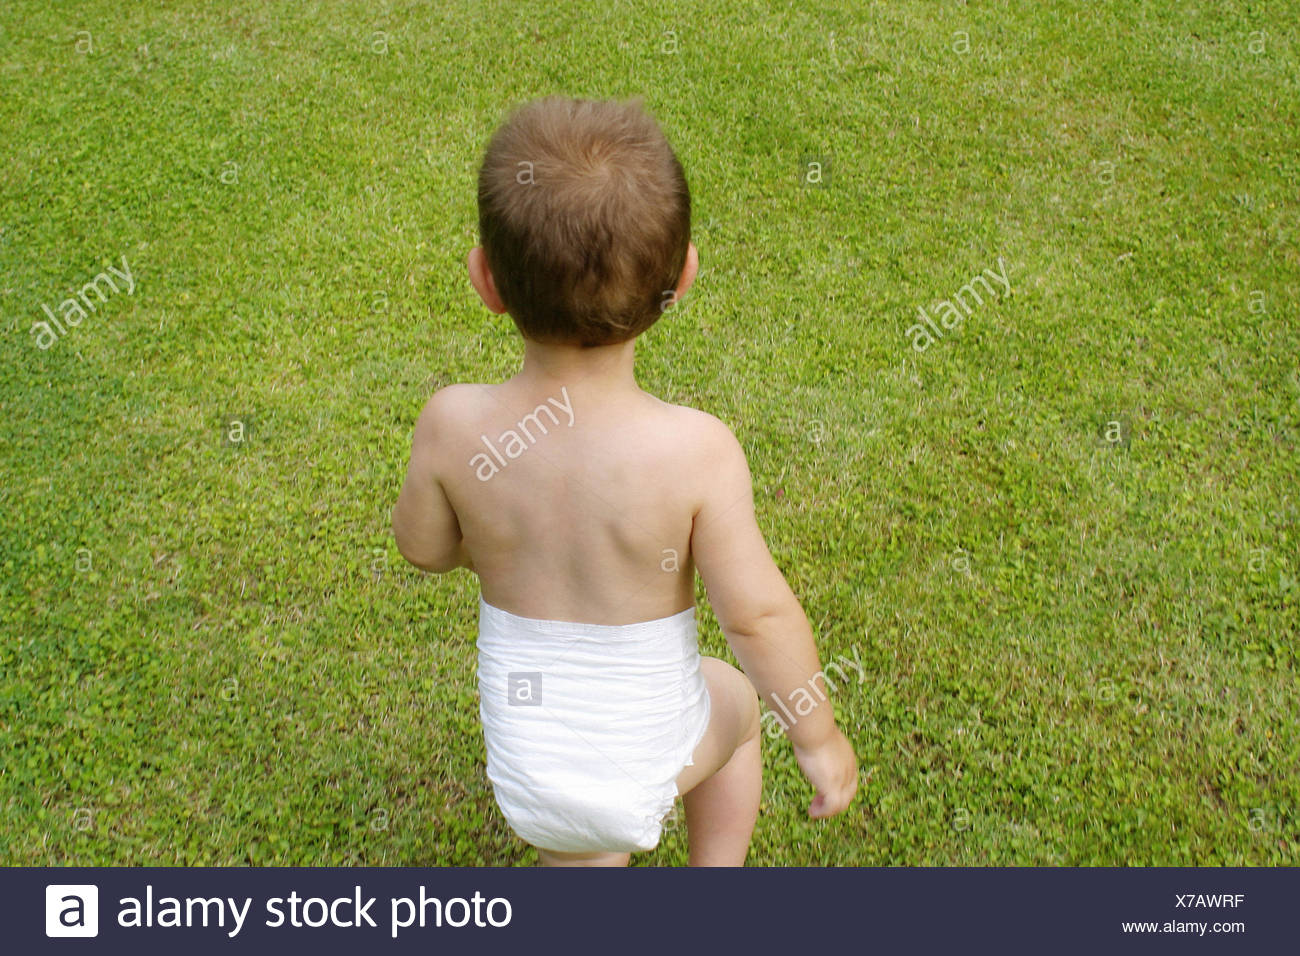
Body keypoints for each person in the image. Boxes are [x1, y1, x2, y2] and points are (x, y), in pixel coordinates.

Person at [392, 96, 857, 866]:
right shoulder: (694, 452)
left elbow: (424, 549)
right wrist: (817, 734)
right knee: (733, 711)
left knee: (584, 845)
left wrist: (492, 542)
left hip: (530, 773)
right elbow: (758, 619)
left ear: (486, 281)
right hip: (645, 754)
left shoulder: (452, 425)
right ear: (684, 277)